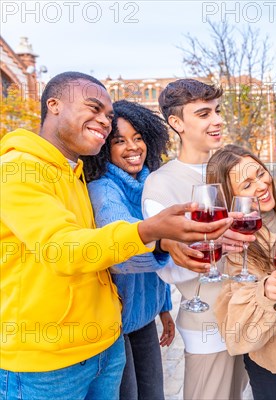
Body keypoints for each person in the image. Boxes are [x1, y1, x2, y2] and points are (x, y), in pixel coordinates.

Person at [0, 72, 232, 399]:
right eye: (93, 109)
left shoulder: (75, 172)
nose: (104, 122)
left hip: (104, 346)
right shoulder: (16, 170)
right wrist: (153, 232)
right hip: (45, 364)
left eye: (108, 116)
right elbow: (65, 250)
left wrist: (162, 299)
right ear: (53, 105)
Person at [141, 79, 249, 399]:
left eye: (216, 111)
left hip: (250, 314)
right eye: (203, 114)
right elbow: (168, 269)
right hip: (208, 322)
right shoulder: (160, 184)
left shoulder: (233, 169)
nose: (216, 120)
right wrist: (214, 246)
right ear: (176, 123)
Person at [207, 144, 276, 400]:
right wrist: (267, 290)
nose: (260, 185)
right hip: (270, 347)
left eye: (260, 173)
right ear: (231, 198)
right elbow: (238, 302)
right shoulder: (236, 240)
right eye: (246, 185)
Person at [82, 100, 176, 399]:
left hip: (144, 317)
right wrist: (165, 243)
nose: (132, 147)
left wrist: (163, 309)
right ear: (105, 148)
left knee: (153, 393)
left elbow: (152, 271)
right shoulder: (104, 189)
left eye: (138, 138)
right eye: (119, 140)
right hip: (114, 324)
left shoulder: (150, 182)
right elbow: (123, 252)